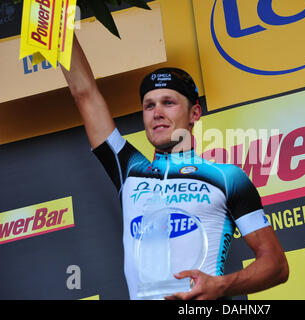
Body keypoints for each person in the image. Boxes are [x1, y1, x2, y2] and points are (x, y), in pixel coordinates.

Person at [61, 35, 289, 300]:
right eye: (149, 105)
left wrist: (220, 285)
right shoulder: (130, 170)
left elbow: (276, 265)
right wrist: (54, 13)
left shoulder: (227, 178)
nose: (156, 112)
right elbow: (84, 92)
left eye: (168, 103)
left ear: (194, 113)